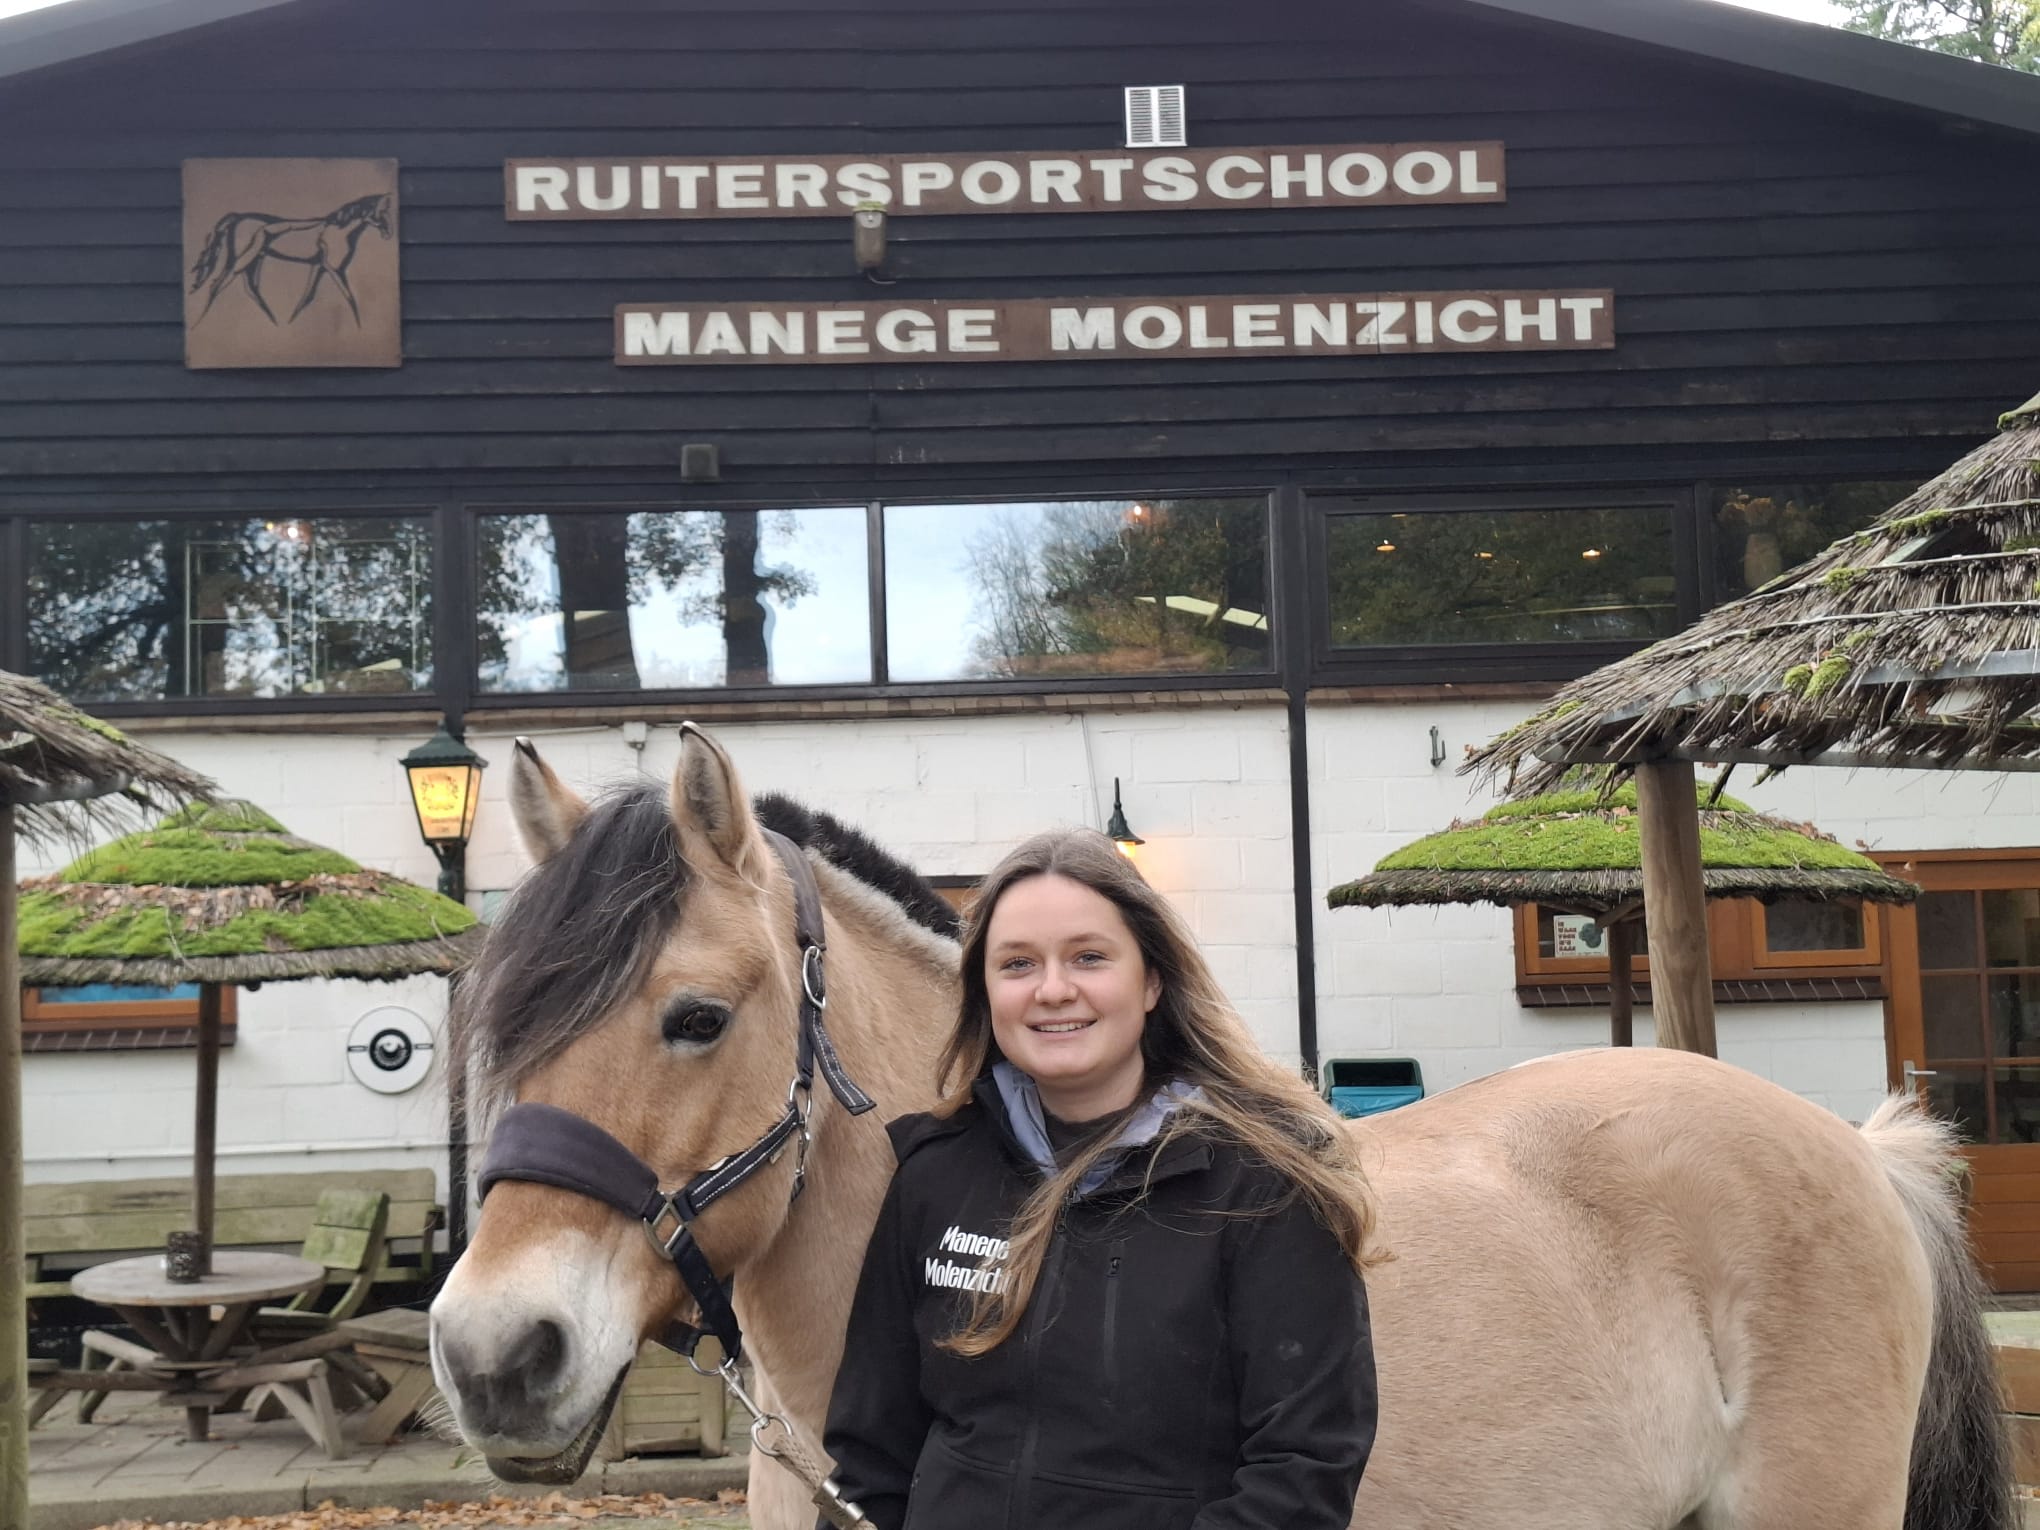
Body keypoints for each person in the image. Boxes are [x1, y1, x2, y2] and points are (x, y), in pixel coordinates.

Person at [821, 828, 1378, 1530]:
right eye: (1017, 964)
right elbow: (871, 1456)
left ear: (1151, 981)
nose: (1054, 990)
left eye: (1089, 957)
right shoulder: (934, 1171)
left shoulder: (1265, 1184)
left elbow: (1304, 1470)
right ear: (985, 992)